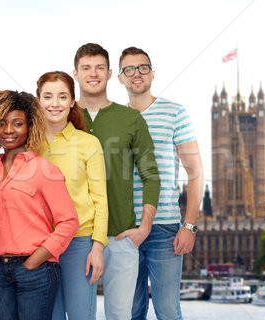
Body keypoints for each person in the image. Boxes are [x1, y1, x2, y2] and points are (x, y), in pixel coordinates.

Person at [72, 43, 161, 319]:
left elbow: (151, 176)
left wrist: (143, 228)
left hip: (121, 236)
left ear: (110, 73)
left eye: (100, 68)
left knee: (121, 316)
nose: (93, 73)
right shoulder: (62, 116)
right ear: (75, 74)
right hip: (75, 237)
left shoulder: (131, 119)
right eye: (86, 68)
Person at [0, 90, 79, 320]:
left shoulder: (45, 170)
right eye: (1, 123)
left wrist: (36, 259)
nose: (9, 130)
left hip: (36, 270)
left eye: (17, 123)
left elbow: (69, 221)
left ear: (30, 126)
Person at [117, 47, 204, 320]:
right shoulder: (114, 117)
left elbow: (196, 172)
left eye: (142, 68)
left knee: (167, 311)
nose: (136, 74)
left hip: (164, 228)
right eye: (129, 69)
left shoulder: (174, 112)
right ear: (120, 78)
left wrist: (188, 226)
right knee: (131, 312)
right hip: (123, 228)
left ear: (152, 74)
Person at [35, 71, 108, 320]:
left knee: (81, 315)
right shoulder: (28, 145)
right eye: (48, 96)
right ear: (38, 101)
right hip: (40, 245)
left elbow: (100, 200)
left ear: (72, 101)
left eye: (62, 96)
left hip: (79, 244)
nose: (55, 103)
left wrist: (97, 247)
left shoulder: (88, 143)